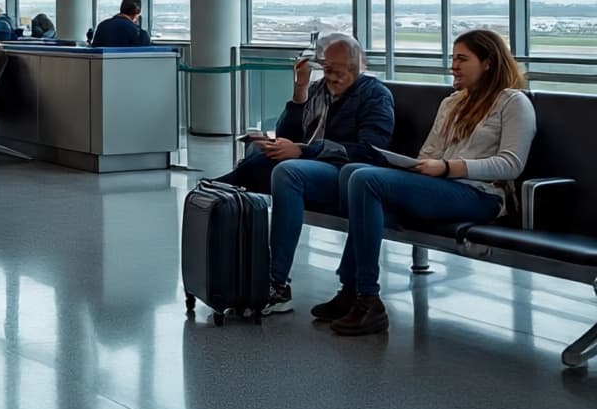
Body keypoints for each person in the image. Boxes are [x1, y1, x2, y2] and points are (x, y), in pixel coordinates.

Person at [312, 30, 535, 336]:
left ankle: (368, 299)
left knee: (364, 178)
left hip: (480, 195)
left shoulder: (513, 102)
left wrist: (447, 167)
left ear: (488, 63)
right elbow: (428, 153)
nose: (453, 65)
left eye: (462, 59)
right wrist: (414, 168)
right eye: (452, 58)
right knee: (355, 172)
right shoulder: (453, 102)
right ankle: (352, 290)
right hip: (443, 187)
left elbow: (511, 164)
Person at [216, 35, 395, 315]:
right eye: (328, 68)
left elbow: (371, 151)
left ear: (359, 66)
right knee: (261, 158)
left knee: (289, 172)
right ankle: (218, 195)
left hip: (346, 174)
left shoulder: (374, 94)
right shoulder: (318, 90)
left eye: (340, 69)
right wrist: (299, 91)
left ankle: (277, 283)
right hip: (314, 165)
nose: (333, 77)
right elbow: (289, 133)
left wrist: (303, 151)